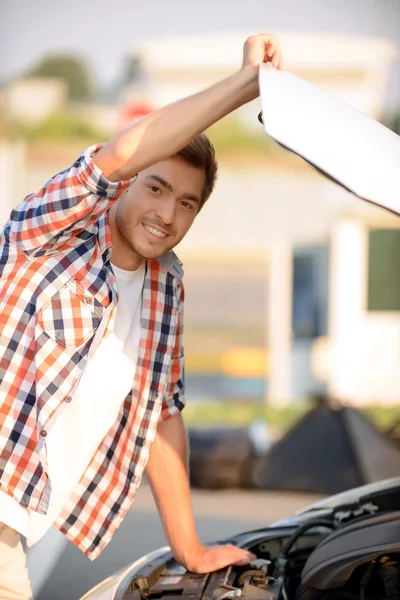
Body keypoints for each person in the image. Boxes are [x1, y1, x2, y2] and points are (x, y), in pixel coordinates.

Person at [0, 33, 284, 598]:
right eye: (156, 187)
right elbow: (113, 155)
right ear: (127, 182)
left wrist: (192, 549)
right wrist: (245, 84)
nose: (167, 214)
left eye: (186, 203)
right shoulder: (48, 236)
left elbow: (160, 416)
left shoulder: (164, 289)